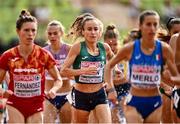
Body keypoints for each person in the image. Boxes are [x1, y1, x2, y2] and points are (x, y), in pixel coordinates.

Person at [105, 10, 178, 123]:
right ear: (140, 26)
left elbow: (174, 76)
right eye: (148, 24)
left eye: (155, 24)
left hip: (155, 102)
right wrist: (110, 89)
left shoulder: (164, 49)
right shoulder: (130, 48)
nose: (152, 28)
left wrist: (168, 81)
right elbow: (109, 66)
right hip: (134, 101)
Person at [0, 10, 63, 123]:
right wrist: (2, 91)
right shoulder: (8, 56)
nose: (30, 34)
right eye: (26, 30)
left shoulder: (44, 55)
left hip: (36, 105)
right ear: (18, 31)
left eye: (33, 30)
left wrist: (54, 90)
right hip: (15, 104)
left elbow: (58, 79)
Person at [60, 13, 116, 123]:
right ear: (83, 32)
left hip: (99, 93)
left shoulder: (105, 48)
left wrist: (116, 70)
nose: (93, 32)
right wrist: (83, 71)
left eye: (96, 29)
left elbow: (114, 62)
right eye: (89, 29)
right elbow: (63, 71)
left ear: (100, 32)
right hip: (81, 95)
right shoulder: (77, 48)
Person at [43, 20, 72, 123]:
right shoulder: (44, 51)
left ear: (61, 33)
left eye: (55, 33)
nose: (52, 36)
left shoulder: (69, 49)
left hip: (67, 95)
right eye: (50, 34)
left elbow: (78, 70)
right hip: (49, 96)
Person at [103, 24, 130, 123]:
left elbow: (126, 78)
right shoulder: (101, 54)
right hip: (108, 90)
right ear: (104, 43)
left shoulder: (123, 54)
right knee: (113, 115)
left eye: (115, 44)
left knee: (124, 106)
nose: (112, 47)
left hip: (124, 88)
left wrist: (110, 80)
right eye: (109, 45)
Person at [157, 17, 180, 123]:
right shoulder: (162, 48)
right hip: (166, 89)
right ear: (170, 33)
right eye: (176, 32)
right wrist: (166, 87)